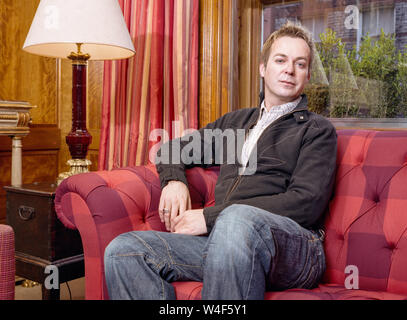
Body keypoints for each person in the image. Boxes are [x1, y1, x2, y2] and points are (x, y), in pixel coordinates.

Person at [104, 21, 337, 300]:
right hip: (227, 243)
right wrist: (174, 182)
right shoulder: (237, 122)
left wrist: (210, 217)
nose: (289, 69)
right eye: (280, 60)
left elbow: (305, 203)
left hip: (296, 250)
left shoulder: (316, 129)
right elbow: (171, 150)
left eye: (300, 64)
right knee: (124, 250)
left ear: (308, 75)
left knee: (236, 218)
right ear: (263, 68)